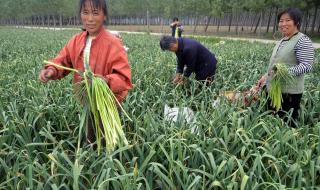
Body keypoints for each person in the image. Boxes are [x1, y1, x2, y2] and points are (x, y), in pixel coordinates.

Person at [39, 0, 133, 143]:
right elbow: (63, 60)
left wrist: (106, 81)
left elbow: (124, 78)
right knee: (91, 137)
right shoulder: (76, 40)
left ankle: (109, 160)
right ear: (80, 14)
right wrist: (51, 70)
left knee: (108, 140)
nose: (89, 19)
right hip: (87, 101)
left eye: (95, 13)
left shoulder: (113, 43)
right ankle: (91, 153)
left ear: (104, 16)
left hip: (108, 103)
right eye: (85, 13)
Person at [256, 8, 315, 127]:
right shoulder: (283, 40)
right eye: (281, 21)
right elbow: (276, 64)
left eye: (287, 20)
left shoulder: (302, 40)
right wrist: (265, 77)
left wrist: (283, 72)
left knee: (286, 125)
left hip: (289, 94)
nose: (283, 24)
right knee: (272, 124)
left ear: (296, 22)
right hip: (273, 90)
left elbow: (306, 66)